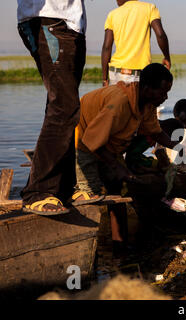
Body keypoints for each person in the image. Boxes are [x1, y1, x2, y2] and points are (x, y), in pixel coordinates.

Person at [72, 63, 178, 252]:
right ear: (147, 89)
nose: (166, 97)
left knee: (118, 191)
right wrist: (117, 166)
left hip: (107, 146)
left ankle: (119, 246)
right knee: (89, 194)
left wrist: (182, 147)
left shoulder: (147, 104)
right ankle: (83, 250)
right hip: (82, 141)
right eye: (162, 92)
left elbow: (155, 131)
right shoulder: (119, 102)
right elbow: (91, 140)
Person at [17, 0, 87, 215]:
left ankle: (63, 188)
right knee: (65, 107)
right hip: (49, 21)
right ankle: (38, 191)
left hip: (70, 24)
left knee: (64, 106)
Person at [101, 0, 171, 86]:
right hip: (140, 75)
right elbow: (160, 35)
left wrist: (104, 79)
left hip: (115, 73)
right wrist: (167, 57)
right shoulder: (149, 8)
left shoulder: (112, 14)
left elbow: (106, 47)